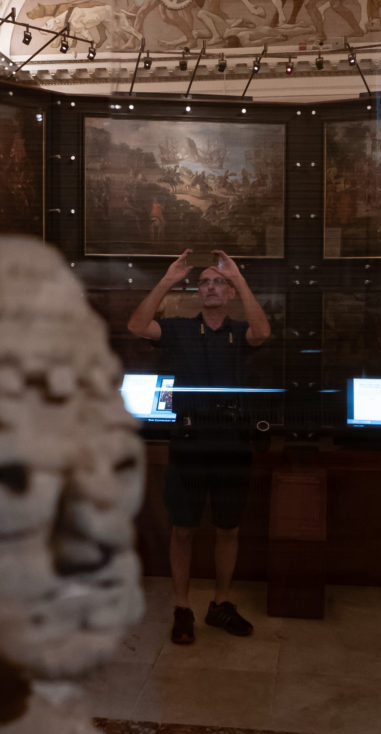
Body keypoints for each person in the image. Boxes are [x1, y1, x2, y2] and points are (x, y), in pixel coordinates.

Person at [127, 248, 270, 643]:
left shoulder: (239, 331)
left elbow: (263, 333)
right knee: (183, 529)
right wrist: (168, 279)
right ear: (197, 292)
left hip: (231, 442)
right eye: (204, 282)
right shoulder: (179, 328)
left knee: (227, 527)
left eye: (217, 282)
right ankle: (182, 606)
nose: (210, 287)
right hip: (188, 441)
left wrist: (239, 279)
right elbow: (138, 326)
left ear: (228, 293)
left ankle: (221, 603)